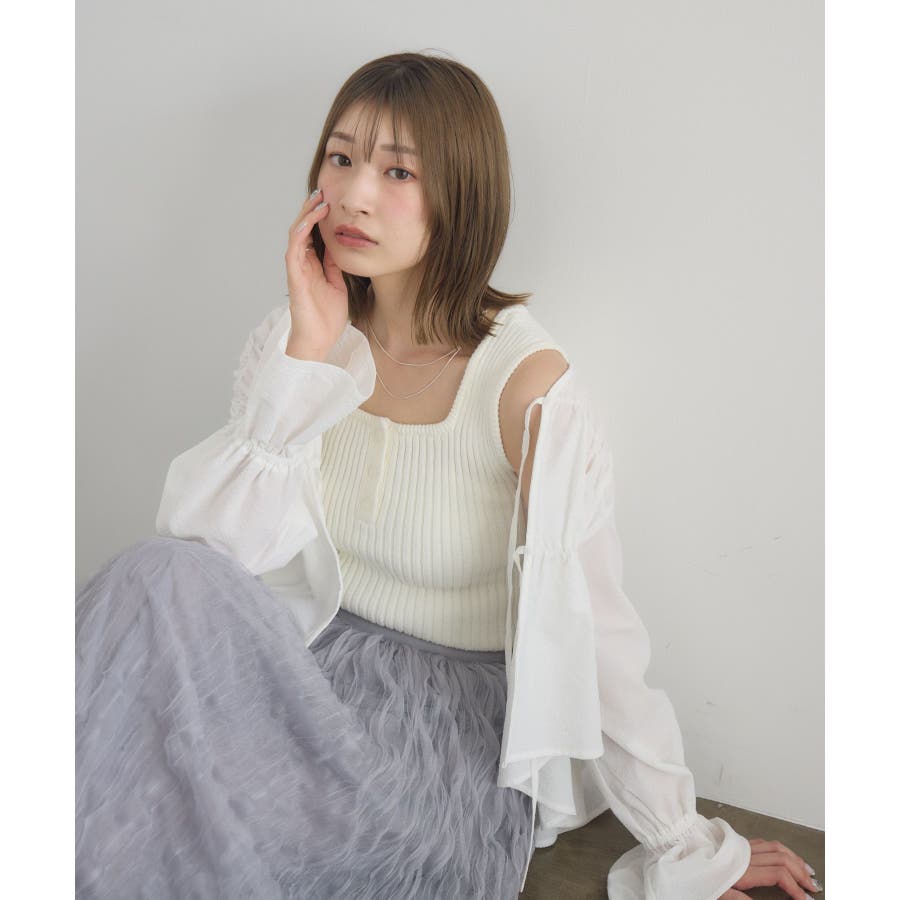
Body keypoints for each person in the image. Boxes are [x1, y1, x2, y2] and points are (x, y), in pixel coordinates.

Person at [75, 52, 822, 900]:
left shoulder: (527, 390)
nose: (355, 195)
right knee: (156, 573)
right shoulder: (298, 335)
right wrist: (305, 360)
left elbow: (597, 631)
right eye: (341, 158)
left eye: (399, 172)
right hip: (300, 671)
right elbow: (213, 561)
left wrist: (682, 838)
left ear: (462, 196)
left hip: (433, 729)